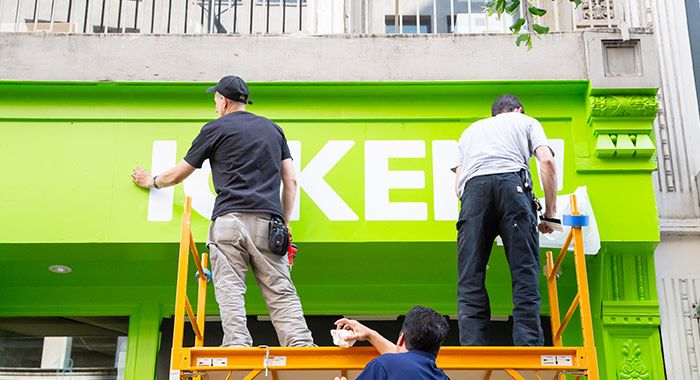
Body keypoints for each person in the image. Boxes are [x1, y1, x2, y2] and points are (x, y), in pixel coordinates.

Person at [131, 75, 314, 347]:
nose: (215, 104)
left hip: (229, 221)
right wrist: (284, 225)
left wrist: (152, 181)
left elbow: (180, 173)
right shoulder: (274, 130)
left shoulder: (215, 129)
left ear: (224, 100)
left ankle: (237, 344)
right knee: (280, 290)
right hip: (268, 223)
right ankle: (300, 344)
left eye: (215, 99)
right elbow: (291, 181)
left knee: (230, 288)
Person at [452, 94, 557, 347]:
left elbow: (458, 187)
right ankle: (528, 343)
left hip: (473, 192)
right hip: (513, 187)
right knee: (524, 271)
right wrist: (550, 215)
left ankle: (473, 344)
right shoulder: (526, 122)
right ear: (518, 110)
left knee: (470, 274)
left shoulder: (470, 132)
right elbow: (547, 161)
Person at [334, 306, 450, 380]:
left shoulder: (384, 365)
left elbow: (397, 363)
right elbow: (406, 362)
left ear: (401, 338)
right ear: (437, 350)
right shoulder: (442, 377)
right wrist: (371, 335)